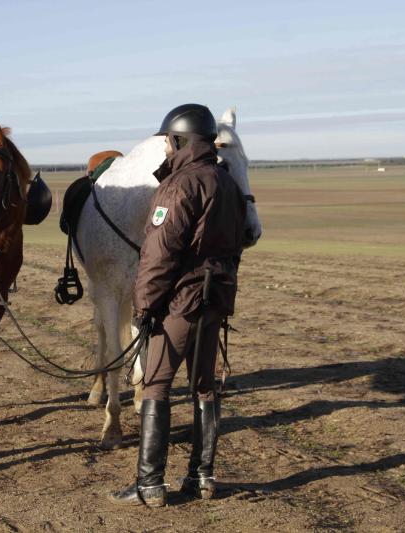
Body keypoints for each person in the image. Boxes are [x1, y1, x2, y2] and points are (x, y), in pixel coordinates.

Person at [109, 103, 247, 507]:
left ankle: (149, 483)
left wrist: (145, 306)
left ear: (181, 140)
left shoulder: (177, 186)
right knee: (204, 386)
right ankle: (202, 477)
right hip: (217, 297)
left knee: (156, 384)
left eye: (169, 140)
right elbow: (238, 245)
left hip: (181, 301)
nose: (167, 147)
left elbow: (159, 253)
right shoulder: (228, 184)